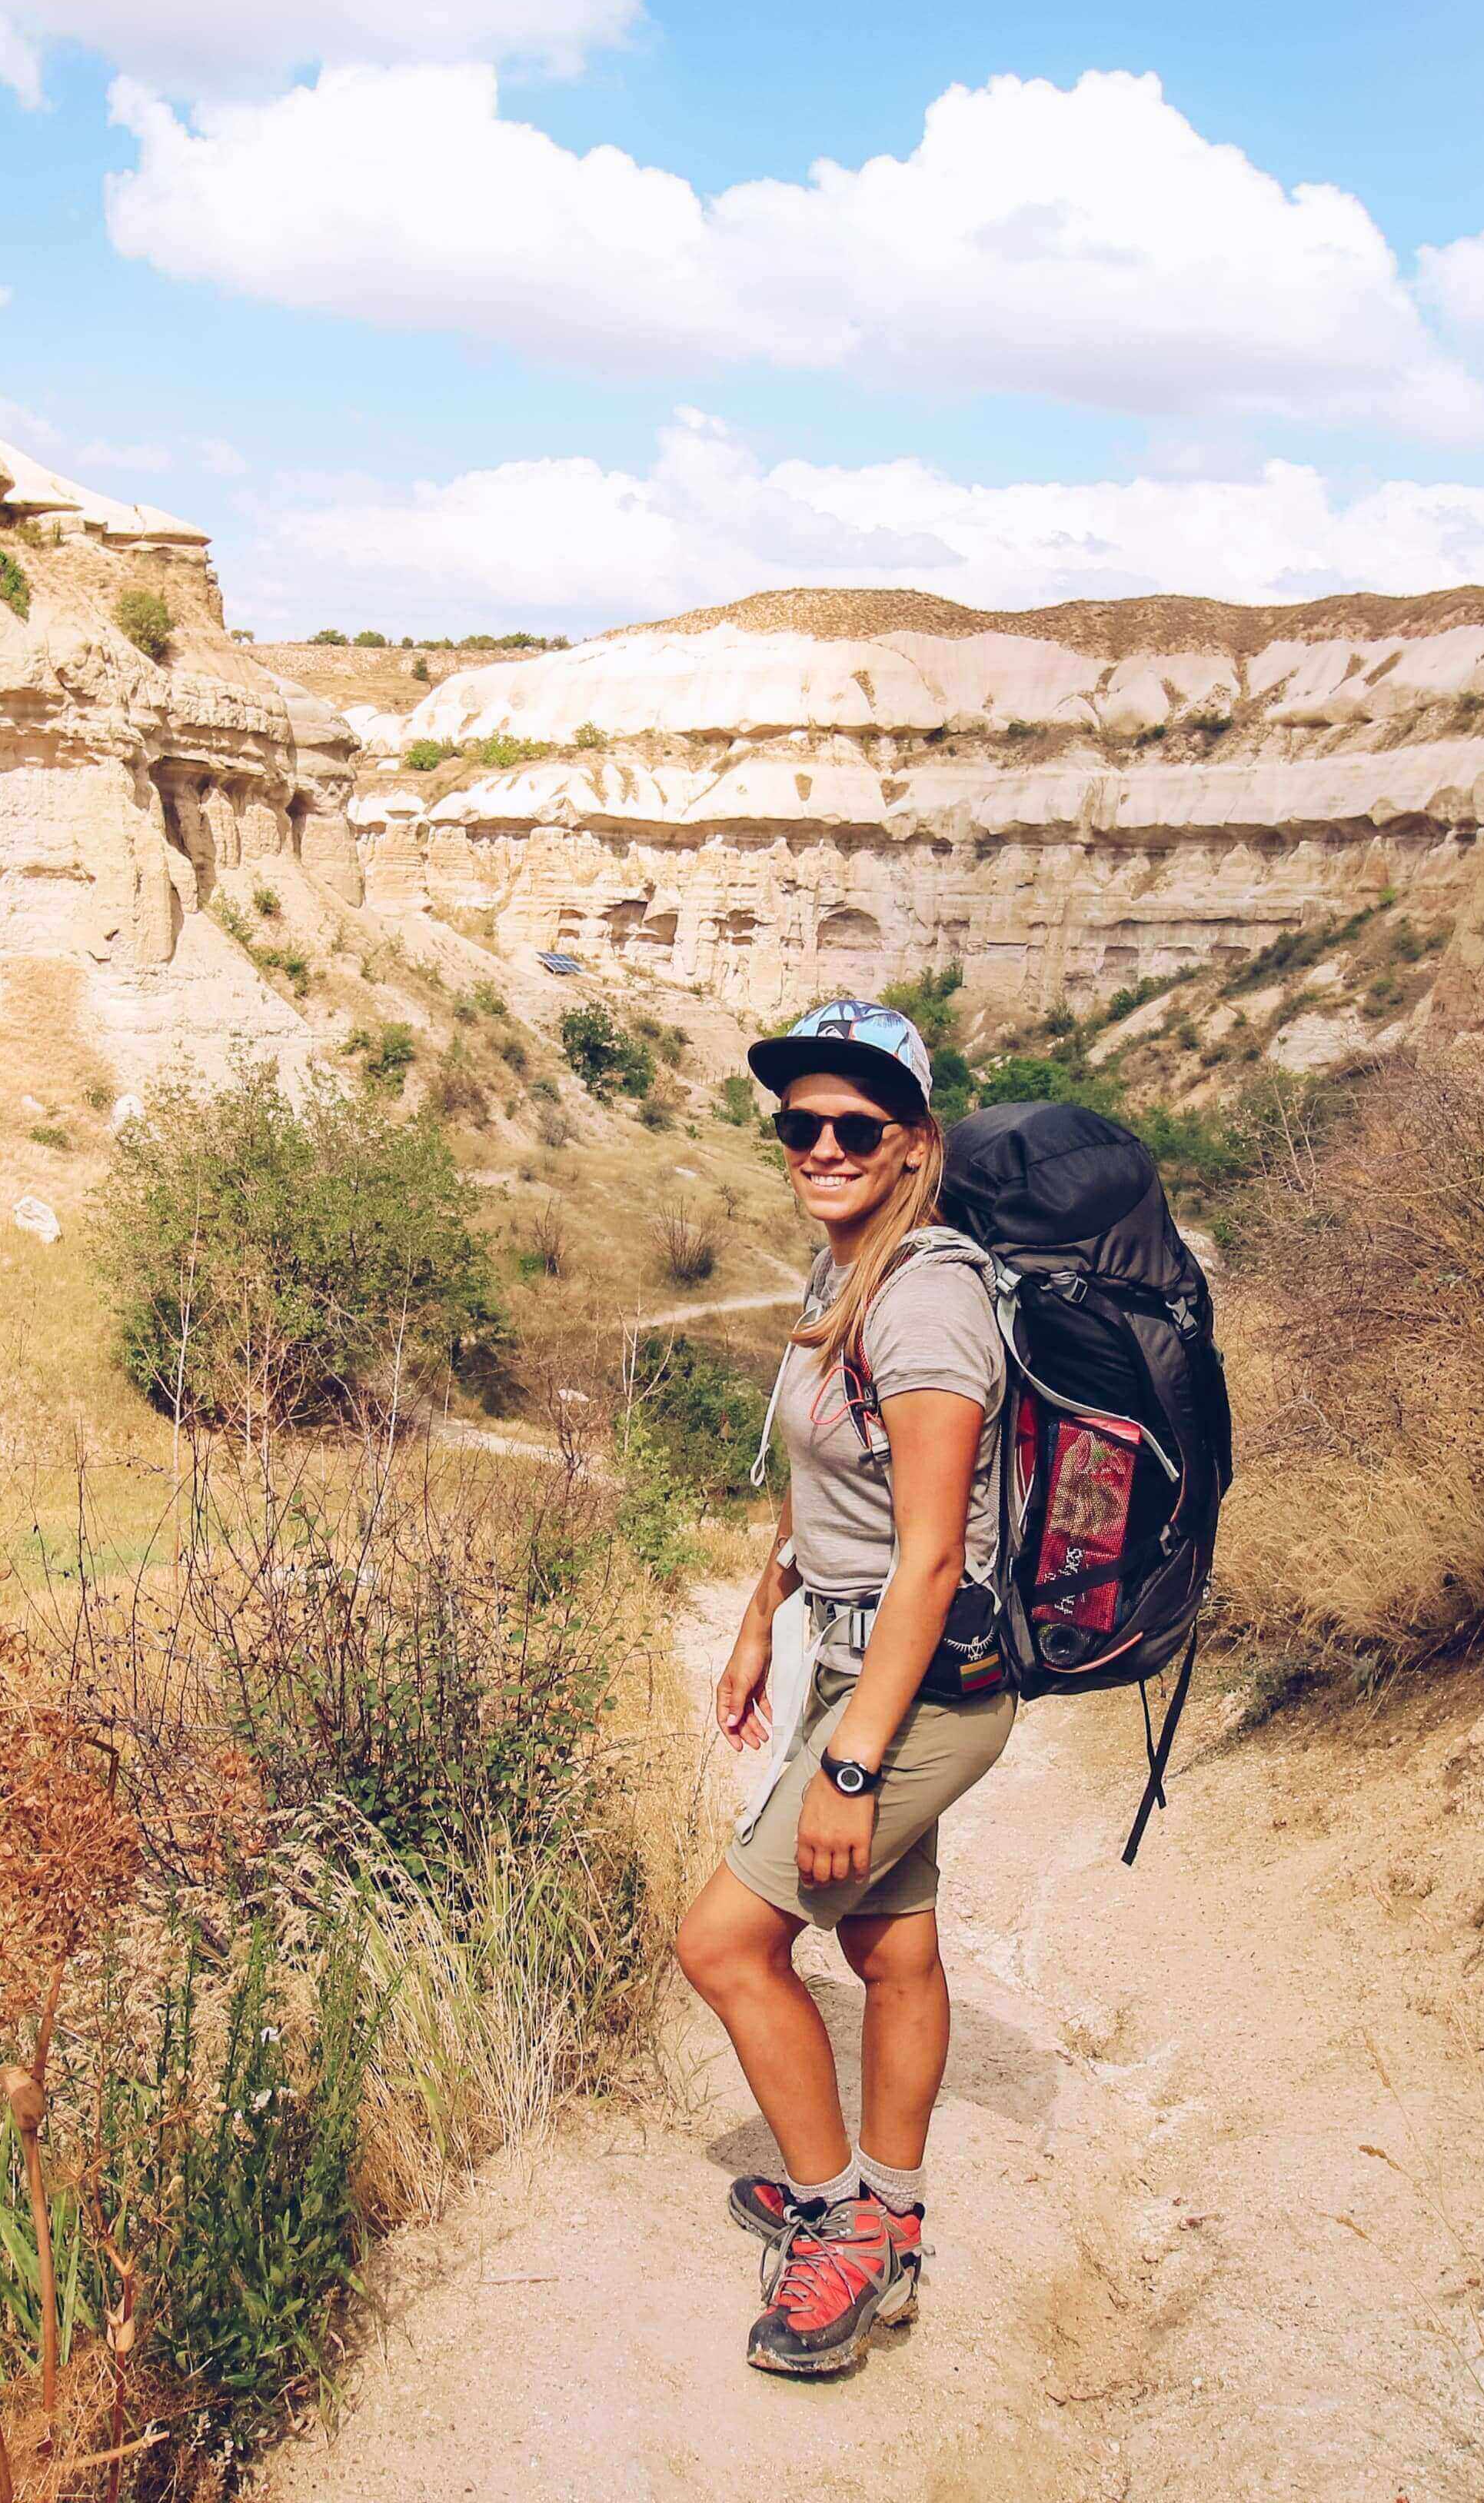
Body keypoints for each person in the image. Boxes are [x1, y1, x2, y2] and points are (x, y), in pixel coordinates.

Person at [670, 996, 1018, 2380]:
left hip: (916, 1684)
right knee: (892, 1950)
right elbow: (836, 1498)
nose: (822, 1142)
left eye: (855, 1125)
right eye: (801, 1122)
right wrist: (764, 1615)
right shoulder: (848, 1269)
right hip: (855, 1653)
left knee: (724, 1944)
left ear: (913, 1142)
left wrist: (856, 1756)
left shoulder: (927, 1293)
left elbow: (931, 1554)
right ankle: (894, 2211)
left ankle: (841, 2231)